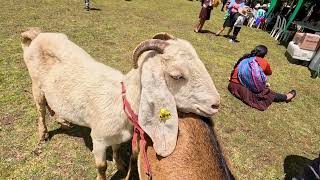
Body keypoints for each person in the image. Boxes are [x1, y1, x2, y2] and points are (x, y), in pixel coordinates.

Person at [228, 45, 297, 111]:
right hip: (241, 90)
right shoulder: (263, 62)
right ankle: (287, 97)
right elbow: (269, 73)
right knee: (267, 93)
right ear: (264, 55)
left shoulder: (245, 58)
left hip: (231, 86)